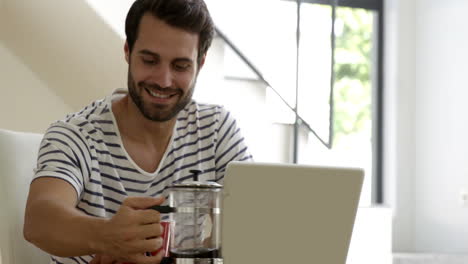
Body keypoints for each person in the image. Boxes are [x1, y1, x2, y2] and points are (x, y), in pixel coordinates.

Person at [23, 0, 253, 263]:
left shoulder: (217, 130)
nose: (163, 81)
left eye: (180, 66)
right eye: (150, 60)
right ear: (127, 51)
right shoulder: (76, 134)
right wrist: (108, 235)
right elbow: (39, 220)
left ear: (199, 64)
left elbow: (254, 220)